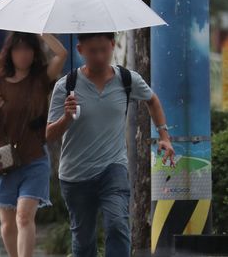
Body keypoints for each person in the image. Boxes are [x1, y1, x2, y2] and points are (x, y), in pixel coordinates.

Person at [46, 32, 175, 257]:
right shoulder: (66, 86)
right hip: (75, 174)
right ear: (80, 50)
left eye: (104, 49)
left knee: (117, 225)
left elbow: (152, 100)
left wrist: (164, 136)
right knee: (84, 241)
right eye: (92, 51)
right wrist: (66, 117)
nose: (99, 56)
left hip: (113, 167)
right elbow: (48, 135)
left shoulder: (127, 79)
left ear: (113, 45)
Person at [0, 32, 67, 257]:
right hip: (3, 159)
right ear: (9, 53)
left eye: (28, 48)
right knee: (8, 224)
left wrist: (42, 31)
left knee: (24, 216)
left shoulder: (41, 78)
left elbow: (61, 54)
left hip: (34, 158)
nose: (23, 54)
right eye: (18, 49)